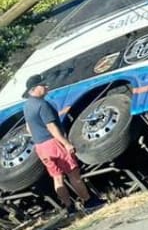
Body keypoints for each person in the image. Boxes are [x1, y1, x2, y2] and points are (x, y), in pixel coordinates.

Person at [22, 75, 104, 215]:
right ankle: (89, 202)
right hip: (53, 143)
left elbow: (28, 128)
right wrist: (66, 143)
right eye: (43, 85)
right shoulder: (43, 105)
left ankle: (69, 208)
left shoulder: (27, 106)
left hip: (40, 147)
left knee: (57, 178)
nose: (47, 87)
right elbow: (52, 127)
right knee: (73, 174)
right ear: (34, 89)